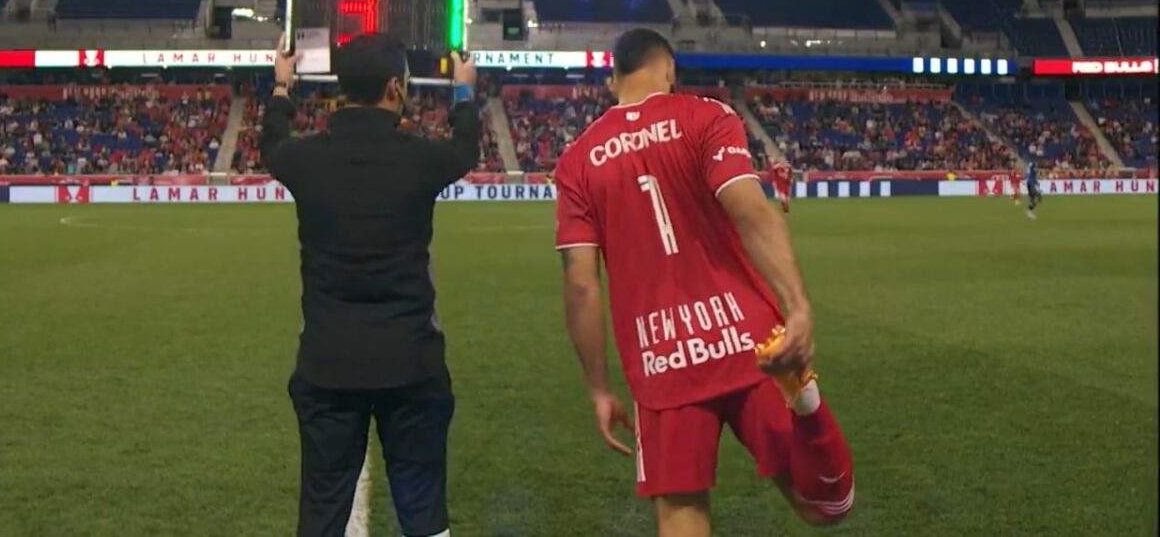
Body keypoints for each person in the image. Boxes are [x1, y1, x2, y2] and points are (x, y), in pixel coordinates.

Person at [554, 29, 854, 536]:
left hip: (661, 360)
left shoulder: (577, 161)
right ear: (669, 68)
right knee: (823, 505)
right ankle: (808, 405)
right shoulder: (707, 116)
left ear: (612, 80)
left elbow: (582, 285)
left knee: (682, 517)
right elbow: (751, 213)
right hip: (750, 341)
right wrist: (798, 306)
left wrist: (599, 388)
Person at [262, 34, 480, 537]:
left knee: (323, 507)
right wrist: (464, 91)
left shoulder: (305, 159)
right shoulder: (422, 159)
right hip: (411, 363)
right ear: (394, 88)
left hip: (328, 365)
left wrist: (281, 84)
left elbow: (271, 142)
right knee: (423, 507)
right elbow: (466, 147)